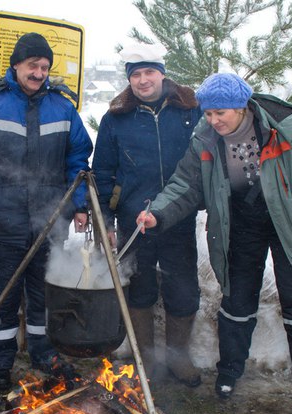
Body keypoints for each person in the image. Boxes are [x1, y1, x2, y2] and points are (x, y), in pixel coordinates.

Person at [136, 73, 292, 414]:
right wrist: (157, 212)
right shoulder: (204, 137)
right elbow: (185, 183)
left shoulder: (287, 127)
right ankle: (230, 371)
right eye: (209, 113)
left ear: (242, 106)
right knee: (237, 298)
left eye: (221, 113)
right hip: (240, 220)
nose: (214, 120)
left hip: (290, 221)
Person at [0, 32, 93, 392]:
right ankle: (0, 362)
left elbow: (78, 159)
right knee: (1, 295)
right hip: (3, 220)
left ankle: (43, 351)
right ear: (16, 65)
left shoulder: (63, 107)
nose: (38, 72)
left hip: (50, 219)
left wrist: (79, 203)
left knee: (44, 293)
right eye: (32, 65)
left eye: (44, 66)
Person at [92, 43, 202, 387]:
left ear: (162, 72)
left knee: (182, 288)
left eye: (149, 72)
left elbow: (206, 164)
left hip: (179, 217)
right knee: (138, 289)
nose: (143, 80)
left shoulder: (189, 110)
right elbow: (104, 173)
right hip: (132, 220)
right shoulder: (116, 117)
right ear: (129, 79)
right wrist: (106, 222)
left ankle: (178, 358)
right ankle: (145, 358)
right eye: (135, 74)